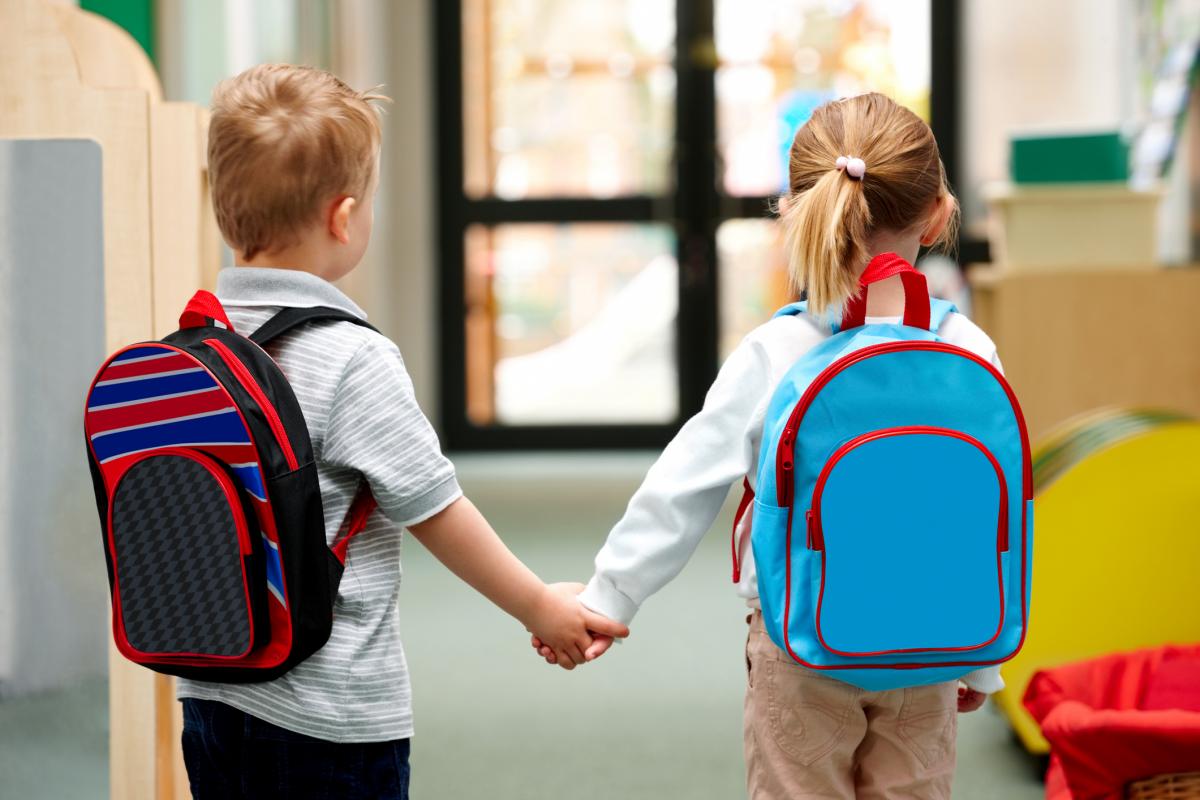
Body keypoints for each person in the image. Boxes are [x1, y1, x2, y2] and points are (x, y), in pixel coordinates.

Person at [176, 63, 628, 800]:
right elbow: (435, 508)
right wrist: (538, 605)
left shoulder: (200, 345)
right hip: (330, 714)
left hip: (211, 695)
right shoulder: (352, 357)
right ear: (343, 217)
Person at [534, 93, 1003, 799]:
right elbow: (979, 515)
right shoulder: (969, 348)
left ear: (794, 210)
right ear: (938, 214)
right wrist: (981, 659)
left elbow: (682, 487)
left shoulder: (776, 351)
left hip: (801, 644)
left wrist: (610, 597)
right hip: (929, 648)